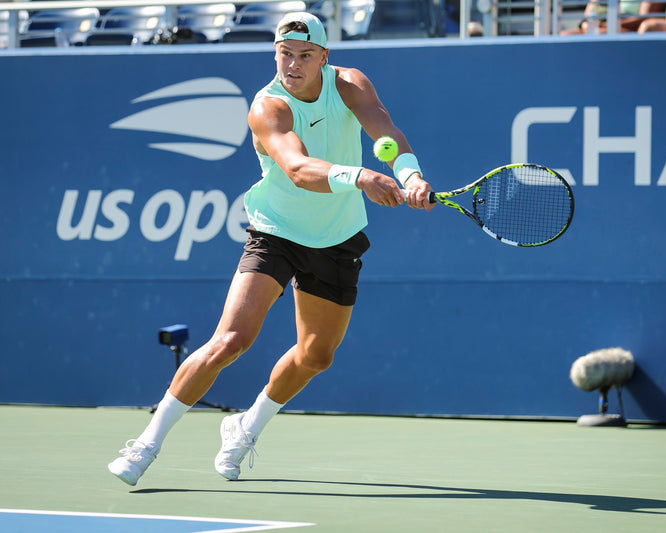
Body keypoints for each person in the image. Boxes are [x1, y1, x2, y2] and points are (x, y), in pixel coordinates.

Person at [108, 11, 434, 486]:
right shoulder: (268, 107)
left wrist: (411, 175)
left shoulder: (349, 84)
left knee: (316, 356)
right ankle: (145, 445)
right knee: (230, 341)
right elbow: (298, 169)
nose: (293, 64)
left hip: (337, 237)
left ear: (324, 57)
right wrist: (362, 177)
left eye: (305, 55)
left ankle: (245, 427)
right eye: (285, 54)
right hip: (276, 232)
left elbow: (387, 134)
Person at [560, 0, 666, 35]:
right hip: (603, 26)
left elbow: (645, 18)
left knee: (601, 33)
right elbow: (589, 14)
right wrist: (586, 25)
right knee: (565, 35)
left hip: (631, 30)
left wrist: (606, 25)